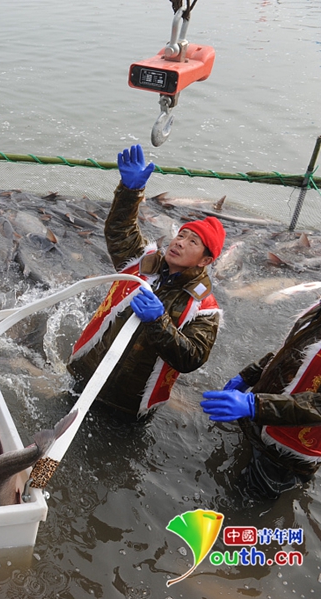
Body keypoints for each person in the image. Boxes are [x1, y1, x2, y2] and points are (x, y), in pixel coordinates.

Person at [66, 144, 225, 417]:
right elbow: (120, 231)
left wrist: (159, 321)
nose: (179, 242)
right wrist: (130, 192)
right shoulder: (141, 261)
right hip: (84, 375)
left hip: (129, 403)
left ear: (205, 260)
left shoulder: (204, 309)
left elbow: (192, 357)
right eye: (181, 235)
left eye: (192, 242)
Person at [201, 300, 321, 499]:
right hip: (263, 417)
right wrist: (250, 374)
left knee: (245, 501)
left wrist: (256, 406)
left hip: (288, 453)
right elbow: (291, 352)